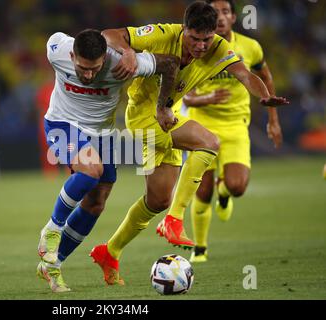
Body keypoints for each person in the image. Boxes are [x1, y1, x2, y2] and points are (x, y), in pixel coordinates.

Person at [90, 1, 289, 285]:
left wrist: (264, 96)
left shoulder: (219, 48)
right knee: (208, 141)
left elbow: (246, 75)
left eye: (206, 39)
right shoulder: (162, 33)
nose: (200, 45)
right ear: (184, 30)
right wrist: (128, 53)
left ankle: (110, 251)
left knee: (157, 200)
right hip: (142, 118)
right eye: (194, 38)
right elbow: (109, 34)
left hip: (167, 118)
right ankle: (175, 220)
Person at [37, 29, 179, 292]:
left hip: (102, 134)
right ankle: (52, 229)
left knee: (96, 204)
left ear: (105, 57)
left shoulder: (122, 63)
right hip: (63, 124)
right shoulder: (56, 48)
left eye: (95, 69)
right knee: (91, 170)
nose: (88, 75)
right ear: (72, 55)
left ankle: (52, 264)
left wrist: (163, 105)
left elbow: (171, 64)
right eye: (82, 68)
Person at [184, 0, 283, 263]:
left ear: (233, 17)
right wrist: (206, 99)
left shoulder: (250, 47)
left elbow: (266, 78)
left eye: (225, 11)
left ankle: (225, 193)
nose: (220, 17)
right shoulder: (198, 47)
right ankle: (200, 249)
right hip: (201, 127)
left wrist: (273, 120)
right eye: (214, 13)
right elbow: (185, 97)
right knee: (202, 191)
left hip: (236, 126)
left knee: (237, 186)